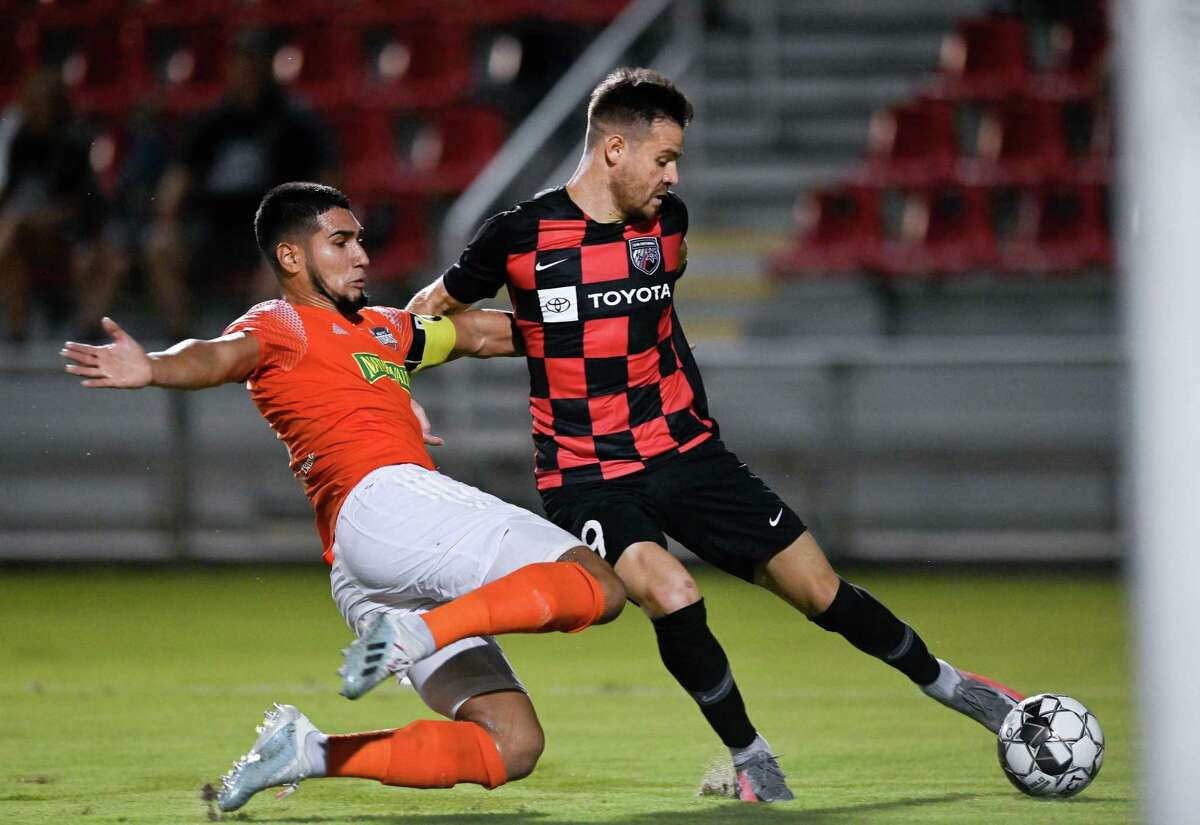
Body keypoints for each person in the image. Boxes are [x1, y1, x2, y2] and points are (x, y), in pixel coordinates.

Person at [406, 67, 1025, 803]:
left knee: (821, 590)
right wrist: (400, 395)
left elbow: (635, 316)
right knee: (671, 590)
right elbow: (425, 315)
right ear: (613, 150)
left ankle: (954, 687)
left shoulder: (667, 227)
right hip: (587, 472)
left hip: (689, 452)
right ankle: (750, 755)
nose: (673, 176)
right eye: (663, 158)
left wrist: (553, 333)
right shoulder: (517, 237)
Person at [61, 182, 625, 812]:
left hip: (364, 568)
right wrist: (156, 367)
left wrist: (598, 315)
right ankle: (421, 633)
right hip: (387, 502)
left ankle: (310, 750)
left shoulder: (384, 331)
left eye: (360, 239)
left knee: (512, 744)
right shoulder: (283, 323)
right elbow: (217, 357)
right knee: (598, 586)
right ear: (292, 258)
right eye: (340, 241)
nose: (361, 255)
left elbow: (481, 335)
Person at [145, 30, 338, 337]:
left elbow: (326, 185)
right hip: (215, 227)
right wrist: (167, 218)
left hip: (271, 228)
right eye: (238, 65)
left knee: (281, 258)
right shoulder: (211, 122)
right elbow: (178, 180)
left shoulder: (296, 121)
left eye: (252, 65)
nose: (245, 73)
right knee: (160, 246)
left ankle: (251, 345)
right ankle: (181, 337)